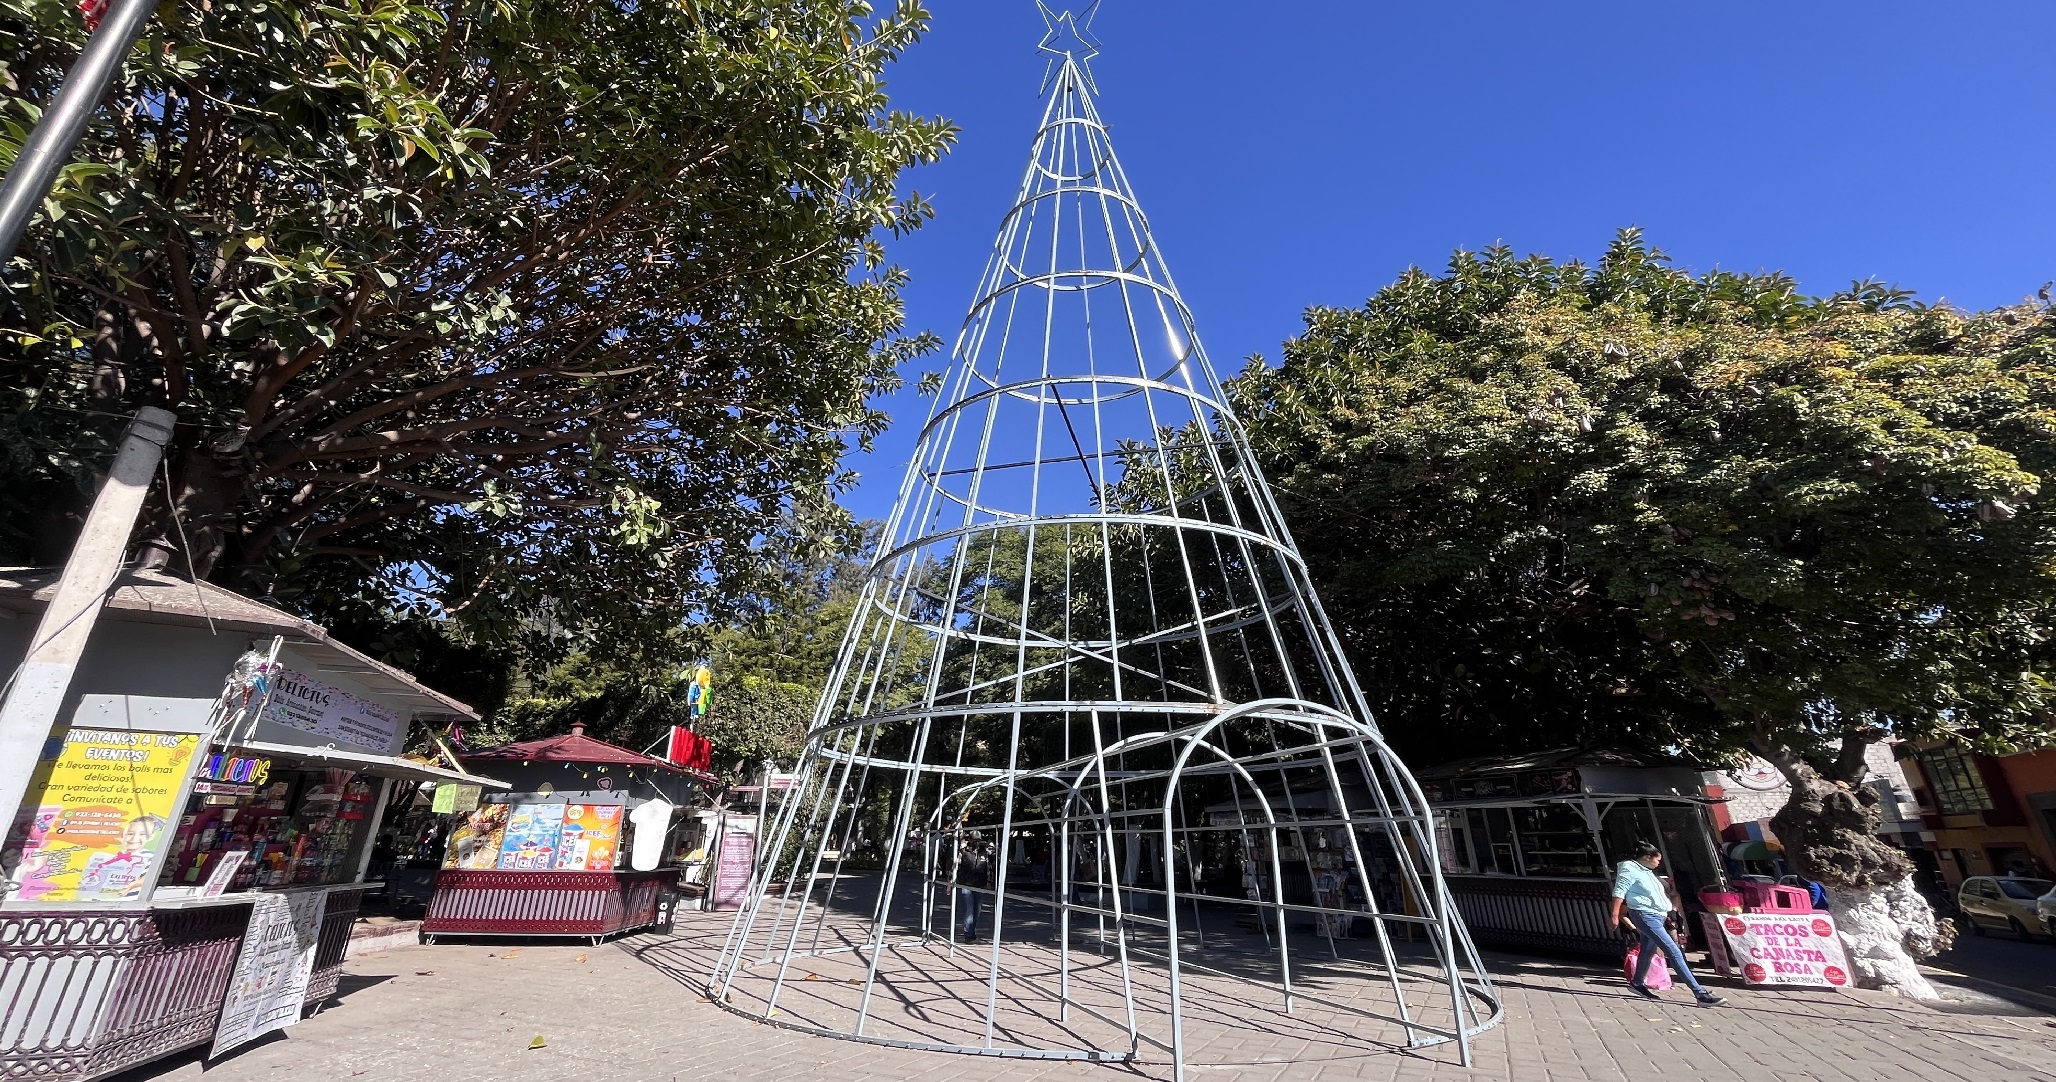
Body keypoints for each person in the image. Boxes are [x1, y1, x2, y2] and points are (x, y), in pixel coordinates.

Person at [1609, 842, 1725, 1006]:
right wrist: (1614, 915)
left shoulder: (1646, 871)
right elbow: (1619, 891)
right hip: (1645, 915)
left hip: (1656, 915)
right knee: (1674, 952)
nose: (1659, 863)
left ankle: (1637, 982)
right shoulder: (1629, 868)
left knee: (1647, 950)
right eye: (1657, 859)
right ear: (1647, 857)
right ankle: (1700, 994)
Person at [954, 831, 992, 940]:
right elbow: (956, 866)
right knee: (969, 909)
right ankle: (968, 934)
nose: (976, 842)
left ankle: (972, 930)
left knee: (977, 910)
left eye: (978, 840)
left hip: (979, 884)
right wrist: (951, 882)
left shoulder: (984, 852)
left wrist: (989, 882)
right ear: (969, 840)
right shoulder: (963, 851)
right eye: (974, 840)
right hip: (966, 883)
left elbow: (988, 868)